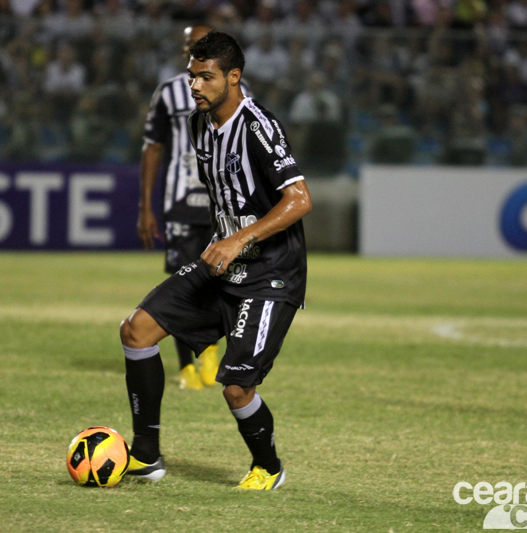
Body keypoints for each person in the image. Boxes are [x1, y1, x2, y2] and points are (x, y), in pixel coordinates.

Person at [120, 31, 312, 490]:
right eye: (192, 76)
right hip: (221, 262)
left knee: (235, 388)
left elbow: (300, 199)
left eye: (206, 77)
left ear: (233, 76)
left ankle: (268, 466)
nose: (196, 86)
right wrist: (219, 241)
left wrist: (238, 239)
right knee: (136, 329)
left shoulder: (259, 126)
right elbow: (224, 194)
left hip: (270, 274)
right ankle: (146, 454)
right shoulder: (198, 124)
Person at [137, 23, 220, 391]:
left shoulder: (235, 89)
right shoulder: (169, 92)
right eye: (190, 46)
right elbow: (152, 147)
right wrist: (146, 206)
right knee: (183, 284)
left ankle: (210, 355)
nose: (194, 50)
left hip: (222, 204)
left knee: (220, 282)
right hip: (180, 201)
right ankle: (188, 366)